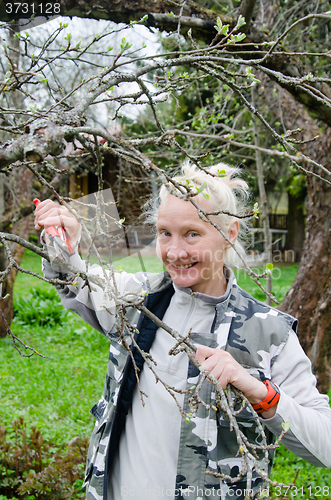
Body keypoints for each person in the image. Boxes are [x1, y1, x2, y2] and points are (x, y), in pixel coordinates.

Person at [34, 162, 331, 500]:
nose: (175, 252)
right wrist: (61, 238)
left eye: (193, 233)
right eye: (165, 233)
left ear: (230, 232)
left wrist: (261, 393)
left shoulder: (269, 332)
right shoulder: (138, 301)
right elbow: (73, 277)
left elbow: (325, 447)